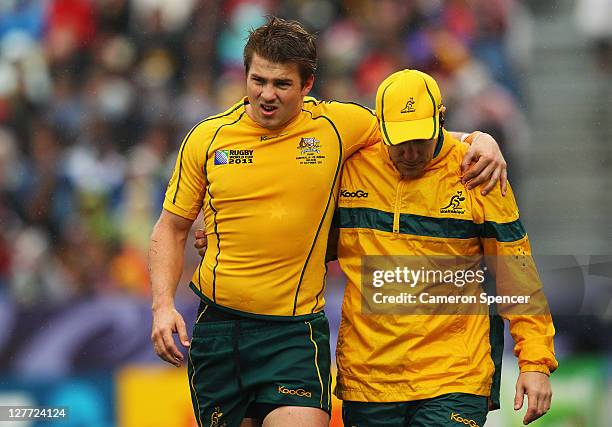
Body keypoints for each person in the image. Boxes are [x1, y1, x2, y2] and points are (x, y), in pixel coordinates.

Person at [150, 17, 506, 427]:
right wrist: (162, 306)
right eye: (257, 80)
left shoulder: (339, 126)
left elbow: (412, 131)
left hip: (294, 332)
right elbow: (171, 227)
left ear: (307, 85)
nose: (266, 95)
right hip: (219, 328)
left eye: (281, 84)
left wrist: (478, 139)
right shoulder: (207, 138)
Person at [333, 69, 558, 426]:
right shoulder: (349, 166)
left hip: (455, 376)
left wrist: (535, 362)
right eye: (399, 141)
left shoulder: (479, 172)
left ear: (441, 118)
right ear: (380, 126)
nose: (409, 152)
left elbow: (517, 274)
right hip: (368, 381)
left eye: (420, 139)